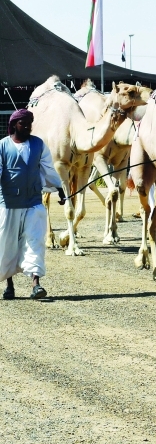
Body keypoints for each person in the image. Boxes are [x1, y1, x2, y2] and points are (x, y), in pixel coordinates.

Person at [1, 108, 65, 300]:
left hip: (34, 203)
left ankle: (36, 284)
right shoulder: (3, 146)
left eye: (30, 123)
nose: (28, 126)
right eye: (23, 123)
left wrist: (59, 188)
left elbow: (48, 169)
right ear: (14, 125)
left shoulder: (38, 144)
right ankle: (9, 285)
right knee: (7, 244)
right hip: (9, 205)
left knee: (35, 240)